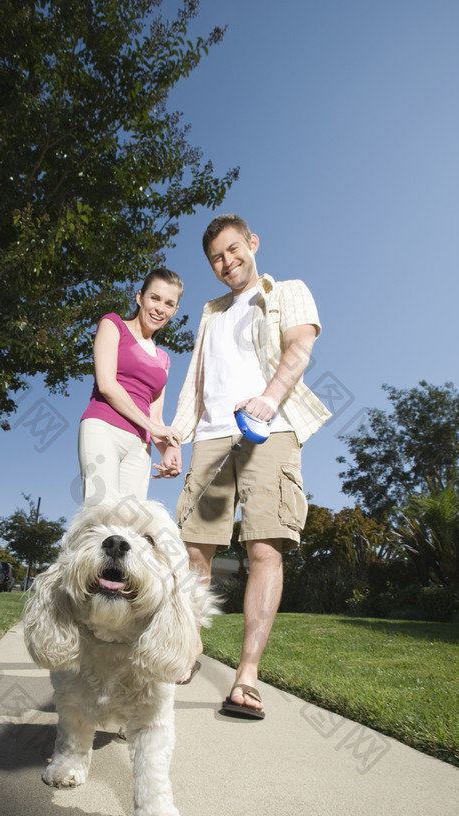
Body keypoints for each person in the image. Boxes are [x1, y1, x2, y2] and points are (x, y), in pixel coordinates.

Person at [156, 214, 331, 715]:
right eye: (217, 257)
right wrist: (175, 438)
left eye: (235, 249)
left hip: (268, 429)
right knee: (194, 553)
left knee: (264, 550)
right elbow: (196, 382)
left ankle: (246, 676)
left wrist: (270, 397)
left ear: (253, 243)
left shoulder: (286, 289)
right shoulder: (210, 312)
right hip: (211, 437)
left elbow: (300, 346)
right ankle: (189, 651)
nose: (228, 261)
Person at [78, 268, 184, 504]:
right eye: (154, 298)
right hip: (103, 428)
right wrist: (152, 427)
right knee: (100, 513)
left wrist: (169, 454)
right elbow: (107, 384)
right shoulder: (113, 325)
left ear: (174, 311)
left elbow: (156, 420)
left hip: (139, 444)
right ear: (140, 297)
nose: (160, 308)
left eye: (168, 304)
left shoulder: (164, 359)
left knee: (129, 524)